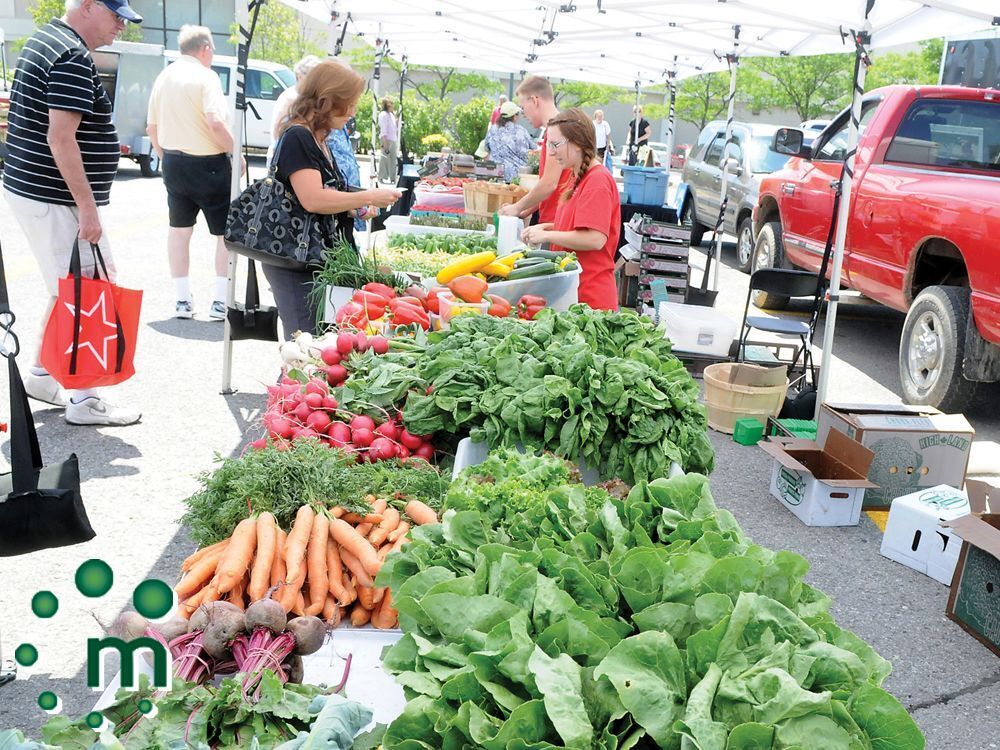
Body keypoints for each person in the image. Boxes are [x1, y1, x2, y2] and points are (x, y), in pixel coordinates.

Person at [2, 0, 143, 426]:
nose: (121, 25)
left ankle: (44, 376)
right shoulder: (72, 56)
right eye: (116, 15)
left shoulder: (46, 39)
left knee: (64, 288)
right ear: (87, 7)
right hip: (56, 197)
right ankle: (85, 401)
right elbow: (62, 138)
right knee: (87, 289)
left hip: (34, 190)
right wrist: (88, 208)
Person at [268, 61, 401, 339]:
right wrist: (368, 195)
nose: (352, 112)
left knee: (328, 342)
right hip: (297, 262)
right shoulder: (297, 136)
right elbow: (313, 199)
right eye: (348, 104)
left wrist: (355, 207)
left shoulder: (318, 138)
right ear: (327, 101)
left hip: (320, 261)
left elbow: (326, 192)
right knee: (306, 345)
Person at [147, 25, 242, 321]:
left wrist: (165, 156)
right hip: (209, 163)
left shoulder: (164, 76)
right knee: (223, 234)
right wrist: (235, 152)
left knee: (179, 230)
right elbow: (215, 122)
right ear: (205, 49)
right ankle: (218, 301)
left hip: (174, 161)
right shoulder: (206, 76)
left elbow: (152, 127)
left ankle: (182, 300)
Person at [520, 108, 621, 311]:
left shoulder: (597, 180)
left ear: (577, 143)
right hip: (574, 293)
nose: (551, 152)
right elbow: (573, 226)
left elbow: (595, 238)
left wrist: (548, 236)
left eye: (556, 145)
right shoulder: (578, 177)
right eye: (549, 144)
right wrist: (545, 228)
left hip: (590, 299)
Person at [498, 75, 573, 224]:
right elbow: (555, 185)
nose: (523, 114)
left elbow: (549, 184)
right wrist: (524, 210)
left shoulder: (556, 130)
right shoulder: (555, 129)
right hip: (552, 218)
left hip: (555, 221)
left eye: (523, 107)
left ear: (534, 100)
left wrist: (517, 207)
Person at [267, 54, 321, 164]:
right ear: (299, 76)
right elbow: (278, 130)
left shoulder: (309, 96)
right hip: (288, 156)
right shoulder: (291, 97)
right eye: (312, 76)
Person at [483, 101, 535, 182]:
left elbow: (486, 148)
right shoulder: (521, 130)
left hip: (496, 175)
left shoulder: (493, 129)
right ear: (514, 116)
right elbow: (534, 149)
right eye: (517, 114)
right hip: (516, 177)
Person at [377, 98, 398, 184]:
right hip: (386, 139)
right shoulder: (383, 115)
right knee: (384, 158)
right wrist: (385, 142)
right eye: (390, 105)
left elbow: (395, 127)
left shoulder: (391, 115)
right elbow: (384, 128)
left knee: (393, 159)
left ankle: (392, 178)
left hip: (393, 139)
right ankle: (381, 176)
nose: (392, 106)